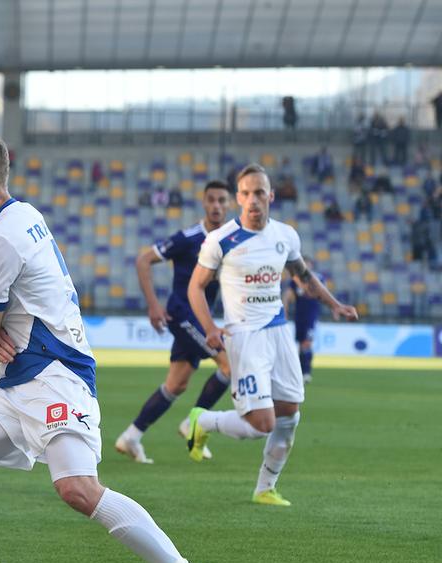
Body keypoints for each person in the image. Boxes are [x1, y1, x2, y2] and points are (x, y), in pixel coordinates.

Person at [0, 129, 214, 563]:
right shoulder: (22, 215)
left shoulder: (0, 237)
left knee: (78, 488)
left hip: (55, 376)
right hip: (18, 381)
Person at [184, 164, 358, 506]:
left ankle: (265, 488)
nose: (253, 200)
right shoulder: (220, 240)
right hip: (244, 336)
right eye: (246, 193)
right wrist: (210, 328)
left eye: (260, 193)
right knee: (261, 423)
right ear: (238, 199)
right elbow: (196, 288)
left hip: (278, 332)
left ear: (271, 197)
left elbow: (304, 276)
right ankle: (202, 420)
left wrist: (334, 304)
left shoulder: (286, 235)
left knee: (290, 412)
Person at [114, 181, 233, 465]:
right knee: (230, 365)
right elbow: (144, 260)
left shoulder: (230, 240)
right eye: (212, 200)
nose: (217, 206)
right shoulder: (189, 237)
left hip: (201, 317)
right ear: (204, 203)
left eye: (222, 201)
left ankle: (131, 436)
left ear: (229, 205)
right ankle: (195, 425)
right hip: (182, 314)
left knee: (176, 384)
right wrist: (154, 305)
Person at [282, 256, 322, 383]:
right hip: (299, 316)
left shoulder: (317, 278)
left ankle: (306, 372)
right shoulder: (295, 280)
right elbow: (289, 296)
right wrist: (285, 310)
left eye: (308, 264)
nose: (306, 266)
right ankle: (299, 372)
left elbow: (321, 293)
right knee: (300, 344)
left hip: (311, 315)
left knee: (306, 343)